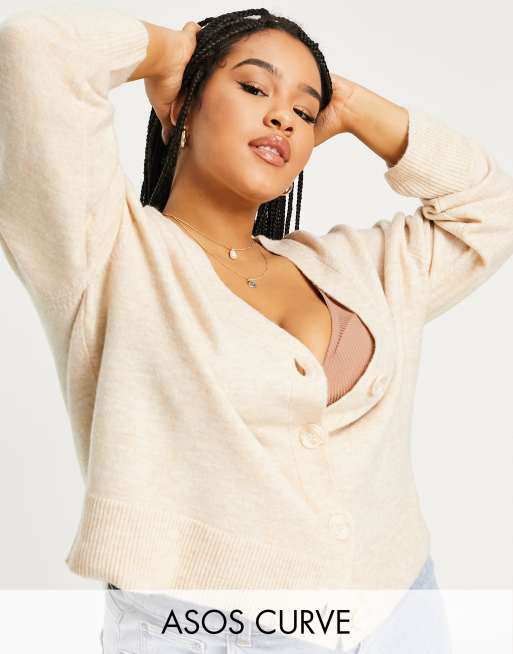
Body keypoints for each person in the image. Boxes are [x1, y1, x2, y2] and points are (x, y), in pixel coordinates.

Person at [1, 4, 511, 653]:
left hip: (400, 609)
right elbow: (34, 51)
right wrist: (168, 55)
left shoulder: (359, 268)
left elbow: (490, 210)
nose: (283, 119)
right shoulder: (105, 254)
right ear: (183, 104)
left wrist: (354, 107)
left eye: (305, 111)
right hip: (204, 629)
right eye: (252, 87)